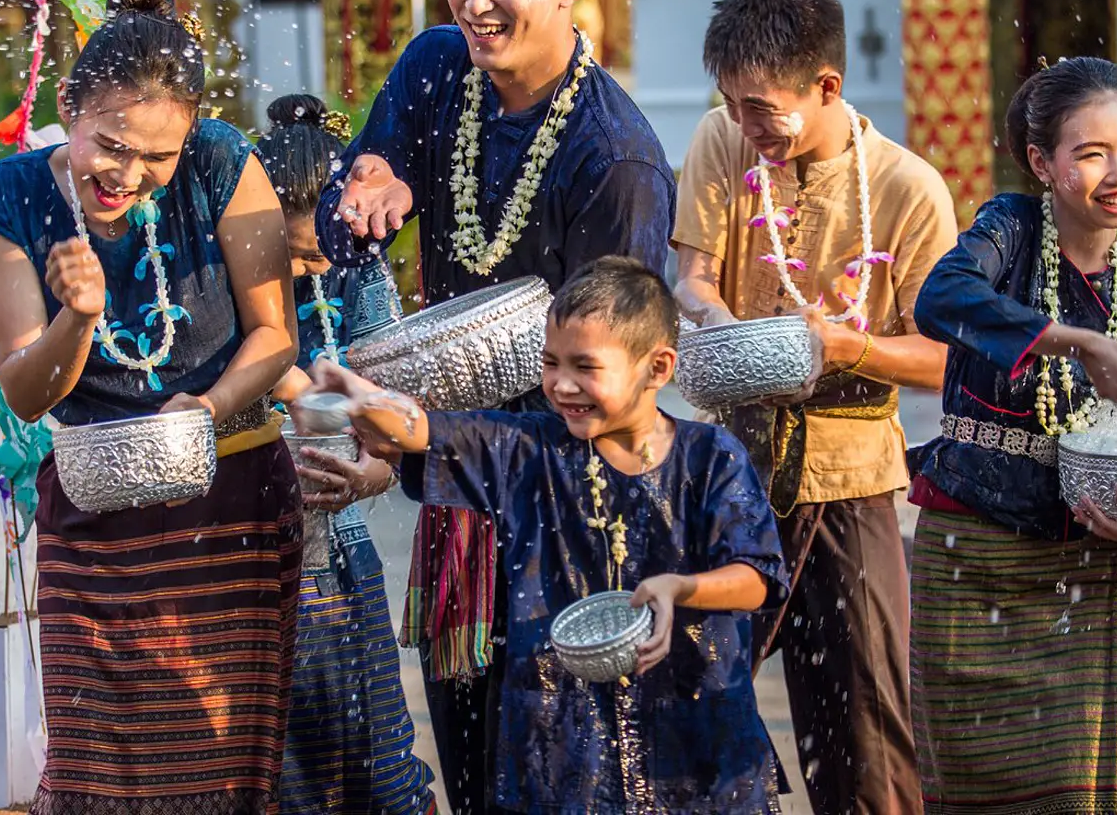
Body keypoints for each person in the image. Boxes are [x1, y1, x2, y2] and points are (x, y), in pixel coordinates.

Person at [314, 0, 675, 814]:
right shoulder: (439, 69)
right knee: (471, 769)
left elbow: (609, 396)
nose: (474, 2)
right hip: (455, 512)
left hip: (570, 511)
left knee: (571, 774)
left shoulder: (617, 160)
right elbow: (337, 214)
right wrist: (368, 185)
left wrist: (410, 453)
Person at [0, 0, 302, 812]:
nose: (129, 175)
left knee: (225, 765)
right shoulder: (9, 196)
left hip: (231, 499)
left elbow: (275, 336)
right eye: (110, 145)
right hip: (93, 517)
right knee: (95, 769)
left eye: (158, 156)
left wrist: (207, 409)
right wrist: (78, 320)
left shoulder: (225, 162)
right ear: (68, 106)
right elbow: (24, 388)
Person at [333, 257, 788, 813]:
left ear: (659, 367)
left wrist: (679, 589)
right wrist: (354, 396)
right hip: (559, 743)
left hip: (695, 739)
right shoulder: (527, 449)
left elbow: (757, 577)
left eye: (585, 367)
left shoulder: (711, 458)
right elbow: (422, 429)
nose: (561, 385)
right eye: (550, 363)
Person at [672, 0, 956, 814]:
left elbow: (949, 359)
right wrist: (725, 325)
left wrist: (851, 347)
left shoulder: (909, 189)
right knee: (687, 694)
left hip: (850, 477)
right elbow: (690, 277)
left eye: (762, 108)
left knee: (865, 733)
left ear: (827, 87)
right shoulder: (721, 143)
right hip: (728, 467)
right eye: (730, 102)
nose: (744, 124)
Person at [907, 57, 1117, 814]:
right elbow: (940, 301)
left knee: (1072, 793)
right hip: (968, 549)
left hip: (1086, 561)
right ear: (1042, 163)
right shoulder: (1008, 229)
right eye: (1093, 152)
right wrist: (1074, 340)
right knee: (963, 791)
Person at [257, 94, 436, 815]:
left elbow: (397, 409)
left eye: (326, 241)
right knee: (276, 769)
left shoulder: (357, 270)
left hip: (341, 546)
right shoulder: (225, 276)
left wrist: (373, 472)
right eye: (300, 250)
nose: (317, 260)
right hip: (250, 550)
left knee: (373, 763)